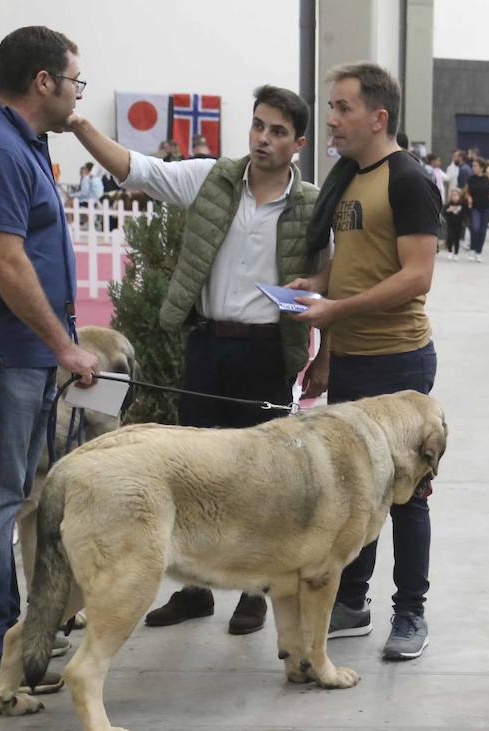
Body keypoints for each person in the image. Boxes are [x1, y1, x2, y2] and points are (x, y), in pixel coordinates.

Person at [68, 85, 319, 635]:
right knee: (193, 475)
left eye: (278, 131)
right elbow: (138, 169)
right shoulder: (212, 179)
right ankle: (195, 590)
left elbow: (333, 274)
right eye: (258, 125)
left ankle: (255, 591)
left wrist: (321, 335)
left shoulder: (311, 205)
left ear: (298, 144)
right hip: (206, 345)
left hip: (266, 353)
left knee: (264, 480)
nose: (263, 138)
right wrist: (79, 125)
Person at [0, 25, 101, 692]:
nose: (79, 94)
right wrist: (63, 345)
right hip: (1, 356)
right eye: (75, 80)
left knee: (6, 497)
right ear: (43, 81)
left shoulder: (20, 143)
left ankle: (2, 633)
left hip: (19, 356)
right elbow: (5, 262)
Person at [288, 62, 442, 662]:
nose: (331, 119)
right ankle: (352, 601)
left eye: (342, 108)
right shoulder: (349, 178)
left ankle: (411, 612)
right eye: (332, 106)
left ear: (379, 117)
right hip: (351, 356)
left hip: (398, 363)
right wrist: (318, 290)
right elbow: (354, 262)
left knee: (407, 493)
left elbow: (416, 275)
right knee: (356, 488)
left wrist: (337, 307)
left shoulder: (408, 180)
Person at [462, 156, 489, 262]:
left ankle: (478, 252)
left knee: (482, 231)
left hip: (486, 207)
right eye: (473, 166)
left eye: (475, 166)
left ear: (481, 168)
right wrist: (469, 197)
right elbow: (466, 192)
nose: (473, 168)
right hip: (475, 207)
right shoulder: (470, 179)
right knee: (475, 228)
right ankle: (472, 249)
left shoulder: (488, 179)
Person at [443, 186, 465, 260]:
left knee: (457, 239)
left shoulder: (462, 204)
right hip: (450, 223)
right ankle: (450, 251)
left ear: (459, 196)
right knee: (449, 237)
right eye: (453, 195)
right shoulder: (448, 204)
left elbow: (464, 214)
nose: (454, 197)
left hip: (459, 224)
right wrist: (448, 211)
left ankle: (456, 253)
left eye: (456, 195)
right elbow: (444, 213)